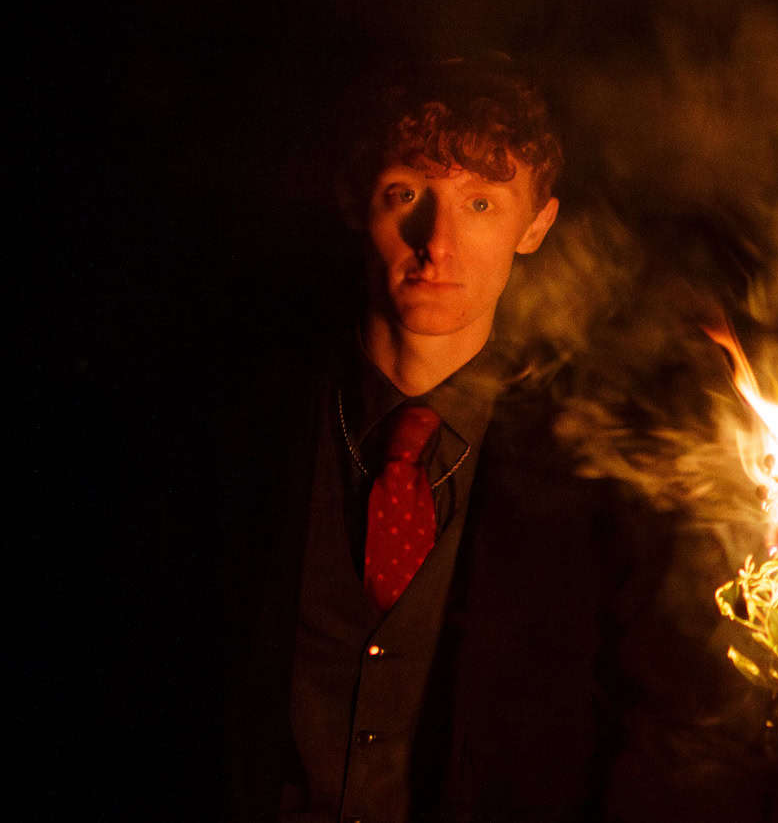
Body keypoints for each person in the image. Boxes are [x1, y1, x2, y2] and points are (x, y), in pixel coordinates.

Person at [221, 56, 666, 822]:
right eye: (406, 194)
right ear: (355, 201)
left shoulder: (593, 471)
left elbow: (639, 728)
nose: (438, 243)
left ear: (537, 225)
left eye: (482, 204)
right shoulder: (239, 419)